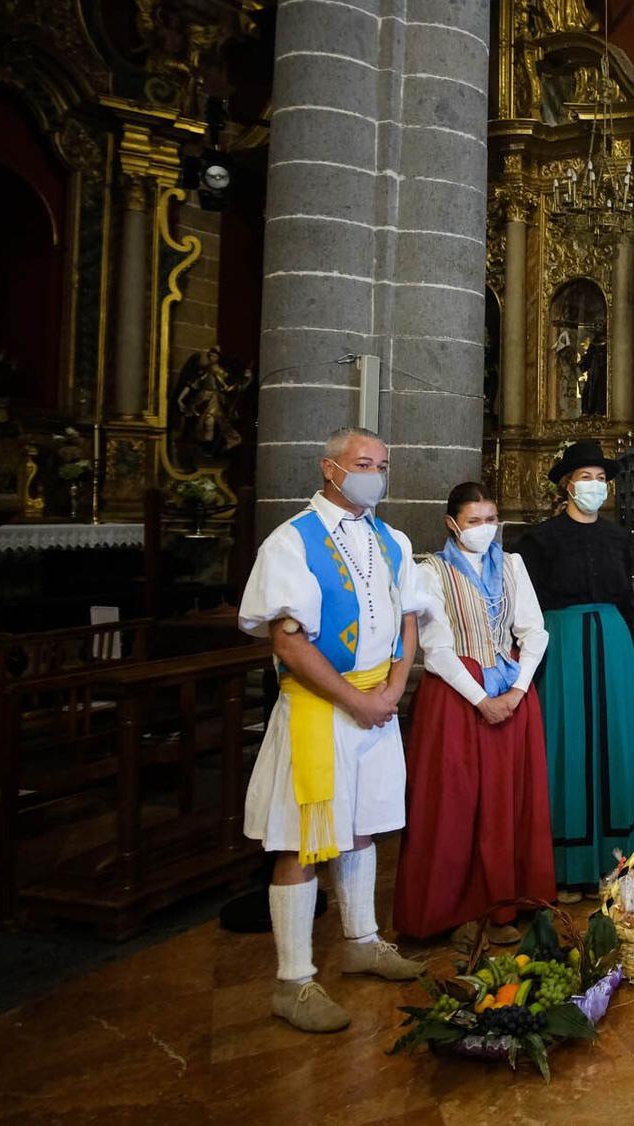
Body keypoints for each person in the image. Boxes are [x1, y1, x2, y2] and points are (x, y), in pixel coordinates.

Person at [238, 426, 427, 1033]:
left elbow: (408, 621)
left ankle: (362, 941)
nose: (375, 473)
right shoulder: (292, 541)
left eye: (382, 464)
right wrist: (356, 699)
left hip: (377, 705)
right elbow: (287, 643)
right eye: (363, 463)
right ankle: (292, 981)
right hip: (320, 711)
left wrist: (395, 688)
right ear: (330, 468)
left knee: (362, 825)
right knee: (299, 839)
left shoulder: (391, 539)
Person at [394, 481, 552, 945]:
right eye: (474, 521)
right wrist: (481, 699)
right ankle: (452, 911)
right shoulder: (431, 572)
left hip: (512, 694)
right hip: (457, 700)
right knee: (455, 806)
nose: (485, 529)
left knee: (507, 803)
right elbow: (436, 649)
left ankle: (504, 902)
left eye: (490, 519)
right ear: (452, 524)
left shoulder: (514, 566)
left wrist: (518, 690)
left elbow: (534, 631)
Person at [520, 440, 634, 901]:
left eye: (600, 478)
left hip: (611, 641)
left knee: (615, 741)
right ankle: (567, 863)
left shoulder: (619, 538)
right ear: (566, 484)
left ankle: (615, 863)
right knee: (568, 744)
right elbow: (527, 604)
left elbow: (624, 593)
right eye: (585, 478)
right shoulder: (539, 540)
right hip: (564, 643)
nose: (594, 486)